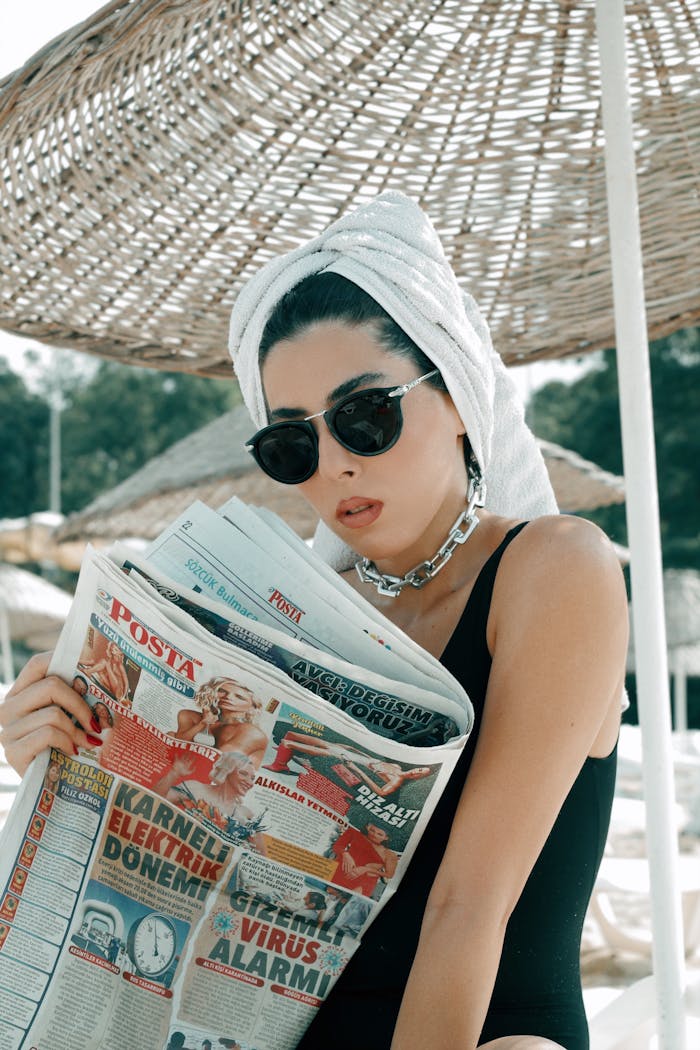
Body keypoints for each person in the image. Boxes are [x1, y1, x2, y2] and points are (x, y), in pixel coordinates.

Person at [0, 191, 628, 1050]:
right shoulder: (293, 616)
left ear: (455, 393)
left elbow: (464, 907)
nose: (332, 464)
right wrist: (56, 752)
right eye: (291, 444)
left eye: (367, 415)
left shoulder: (556, 569)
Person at [153, 752, 266, 853]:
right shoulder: (195, 789)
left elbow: (261, 859)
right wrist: (174, 773)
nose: (249, 783)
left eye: (252, 778)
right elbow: (153, 800)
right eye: (243, 774)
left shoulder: (246, 815)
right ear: (227, 770)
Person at [170, 677, 268, 766]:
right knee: (170, 735)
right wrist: (203, 723)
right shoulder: (189, 715)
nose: (228, 697)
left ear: (252, 707)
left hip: (221, 779)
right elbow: (179, 742)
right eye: (222, 691)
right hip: (184, 769)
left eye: (239, 697)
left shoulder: (251, 732)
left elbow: (220, 764)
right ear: (211, 693)